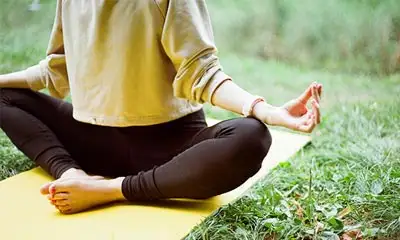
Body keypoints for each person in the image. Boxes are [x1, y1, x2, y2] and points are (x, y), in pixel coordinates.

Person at [0, 0, 322, 214]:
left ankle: (111, 189)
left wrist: (266, 111)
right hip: (94, 140)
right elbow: (57, 69)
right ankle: (74, 177)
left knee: (251, 135)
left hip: (170, 149)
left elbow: (203, 73)